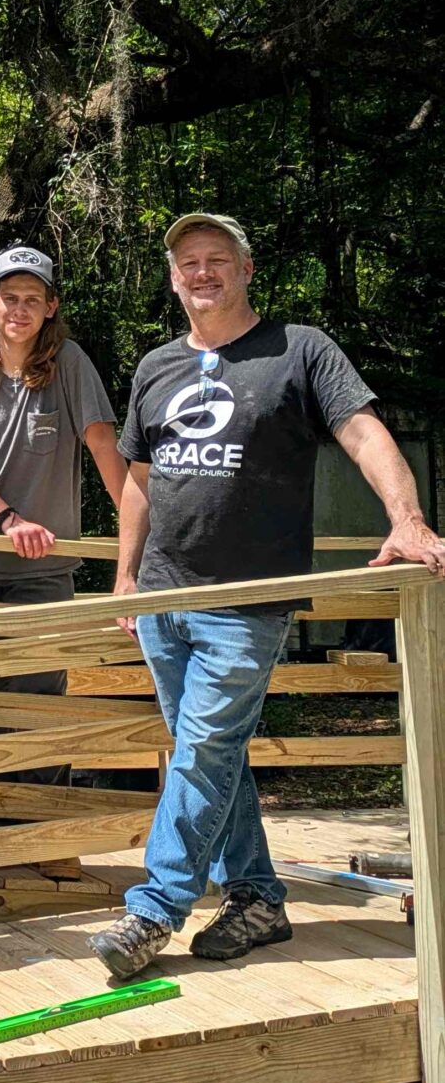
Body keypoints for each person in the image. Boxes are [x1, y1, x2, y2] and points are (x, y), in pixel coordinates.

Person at [93, 213, 445, 983]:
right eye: (188, 262)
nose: (202, 272)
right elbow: (139, 485)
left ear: (246, 270)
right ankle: (256, 898)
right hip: (163, 599)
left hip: (249, 602)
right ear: (174, 277)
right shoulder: (155, 366)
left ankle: (155, 910)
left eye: (218, 259)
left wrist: (407, 519)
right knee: (214, 758)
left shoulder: (301, 348)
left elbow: (361, 430)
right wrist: (125, 577)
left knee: (202, 750)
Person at [0, 246, 128, 797]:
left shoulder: (71, 364)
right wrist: (8, 519)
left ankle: (34, 830)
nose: (19, 309)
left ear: (50, 307)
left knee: (39, 696)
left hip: (41, 565)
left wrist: (139, 543)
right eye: (9, 297)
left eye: (32, 299)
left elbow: (104, 447)